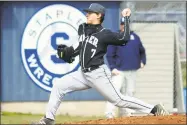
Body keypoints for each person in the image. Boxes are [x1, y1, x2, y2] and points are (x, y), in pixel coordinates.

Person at [32, 3, 169, 125]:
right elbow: (80, 47)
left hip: (97, 73)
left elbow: (124, 38)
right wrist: (69, 54)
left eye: (90, 13)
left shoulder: (105, 34)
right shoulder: (83, 28)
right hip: (82, 73)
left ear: (99, 15)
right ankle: (48, 119)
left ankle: (154, 108)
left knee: (118, 100)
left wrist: (126, 18)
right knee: (58, 85)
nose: (87, 14)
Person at [105, 19, 147, 118]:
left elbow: (142, 51)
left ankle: (130, 113)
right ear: (120, 25)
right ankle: (109, 113)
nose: (124, 26)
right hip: (119, 70)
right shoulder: (116, 37)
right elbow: (110, 54)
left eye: (126, 24)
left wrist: (142, 61)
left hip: (132, 70)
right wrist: (112, 67)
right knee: (114, 91)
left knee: (130, 92)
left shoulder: (135, 37)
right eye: (122, 24)